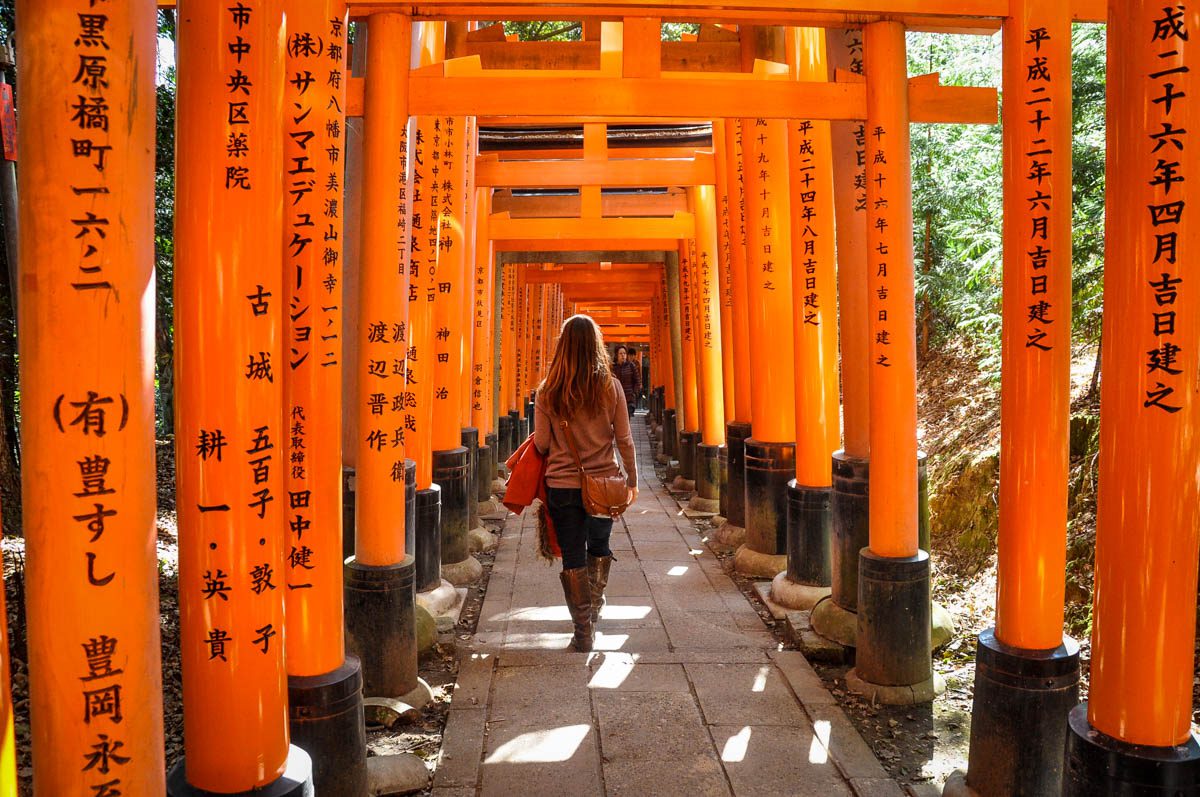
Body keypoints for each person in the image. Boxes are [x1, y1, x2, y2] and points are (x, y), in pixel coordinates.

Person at [534, 316, 638, 652]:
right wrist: (632, 480)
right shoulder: (611, 386)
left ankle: (582, 632)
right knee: (599, 547)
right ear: (597, 345)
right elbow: (624, 439)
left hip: (562, 487)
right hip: (604, 486)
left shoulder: (548, 391)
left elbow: (542, 445)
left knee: (573, 557)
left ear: (562, 346)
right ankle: (595, 604)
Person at [611, 345, 641, 420]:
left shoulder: (631, 366)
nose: (623, 355)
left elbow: (637, 381)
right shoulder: (612, 367)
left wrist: (634, 393)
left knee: (627, 418)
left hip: (628, 397)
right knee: (617, 419)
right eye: (620, 353)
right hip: (616, 397)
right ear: (616, 355)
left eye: (624, 353)